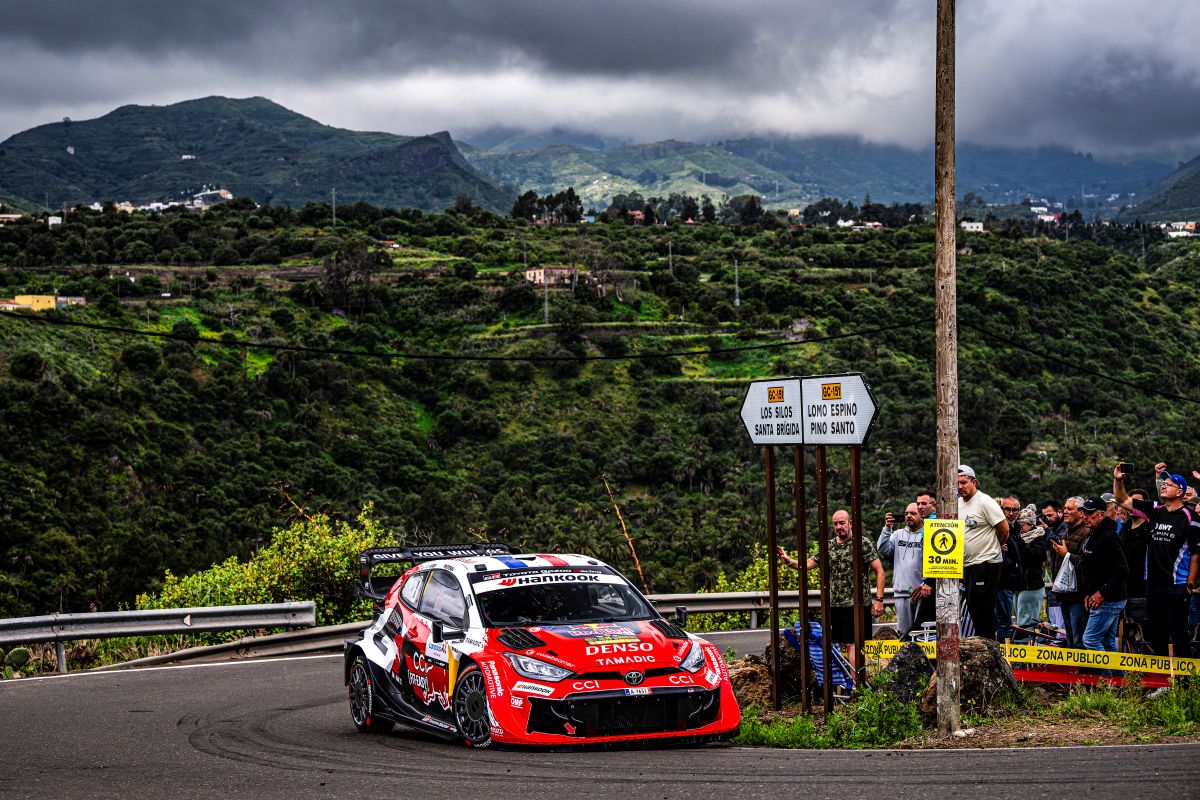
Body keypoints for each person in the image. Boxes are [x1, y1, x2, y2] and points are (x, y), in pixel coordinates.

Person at [778, 509, 886, 666]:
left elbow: (880, 571)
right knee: (837, 647)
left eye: (842, 523)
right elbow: (807, 564)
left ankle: (856, 687)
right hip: (835, 605)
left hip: (857, 604)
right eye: (836, 524)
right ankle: (845, 685)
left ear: (850, 523)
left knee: (853, 645)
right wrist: (788, 560)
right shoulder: (828, 546)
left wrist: (879, 599)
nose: (839, 527)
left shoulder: (862, 543)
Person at [1113, 463, 1200, 658]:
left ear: (1180, 492)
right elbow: (1122, 499)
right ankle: (1161, 684)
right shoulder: (1154, 509)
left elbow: (1196, 553)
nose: (1163, 486)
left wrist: (1190, 584)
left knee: (1178, 635)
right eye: (1163, 483)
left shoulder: (1190, 516)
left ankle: (1185, 684)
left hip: (1177, 586)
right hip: (1153, 585)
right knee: (1156, 635)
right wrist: (1118, 480)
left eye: (1168, 484)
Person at [956, 465, 1009, 640]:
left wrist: (995, 547)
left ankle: (989, 647)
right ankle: (983, 644)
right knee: (972, 608)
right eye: (957, 484)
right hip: (968, 563)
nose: (960, 486)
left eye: (964, 482)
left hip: (987, 562)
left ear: (974, 482)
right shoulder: (957, 504)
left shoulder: (984, 501)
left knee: (982, 609)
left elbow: (1004, 529)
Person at [1076, 496, 1128, 662]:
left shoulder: (1109, 536)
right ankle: (1118, 684)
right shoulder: (1092, 535)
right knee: (1107, 642)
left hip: (1109, 599)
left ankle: (1108, 683)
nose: (1085, 517)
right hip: (1101, 597)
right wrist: (1087, 592)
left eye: (1090, 513)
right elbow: (1090, 568)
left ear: (1101, 514)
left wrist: (1101, 593)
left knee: (1090, 640)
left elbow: (1122, 570)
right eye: (1084, 513)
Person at [877, 503, 924, 639]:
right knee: (904, 634)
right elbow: (883, 549)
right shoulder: (897, 535)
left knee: (921, 634)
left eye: (913, 513)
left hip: (920, 593)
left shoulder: (927, 534)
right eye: (906, 513)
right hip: (901, 593)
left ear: (921, 516)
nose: (909, 516)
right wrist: (887, 528)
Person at [1050, 496, 1090, 648]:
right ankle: (1072, 671)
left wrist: (1065, 554)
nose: (1065, 512)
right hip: (1064, 594)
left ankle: (1084, 671)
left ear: (1081, 512)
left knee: (1079, 638)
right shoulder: (1066, 532)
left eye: (1069, 509)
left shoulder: (1086, 533)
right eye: (1065, 508)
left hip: (1077, 596)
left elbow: (1085, 564)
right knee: (1071, 637)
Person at [1014, 504, 1049, 634]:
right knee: (1019, 620)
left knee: (1026, 621)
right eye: (1018, 524)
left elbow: (1033, 557)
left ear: (1031, 525)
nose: (1020, 528)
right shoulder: (1017, 538)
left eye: (1022, 524)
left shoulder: (1039, 538)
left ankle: (1027, 648)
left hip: (1032, 585)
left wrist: (1020, 543)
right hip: (1019, 584)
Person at [996, 497, 1025, 641]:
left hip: (1011, 582)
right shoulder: (998, 528)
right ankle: (1002, 655)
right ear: (1001, 510)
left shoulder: (1016, 529)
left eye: (1015, 510)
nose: (1011, 513)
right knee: (1004, 622)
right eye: (1008, 509)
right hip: (1000, 582)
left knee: (1006, 620)